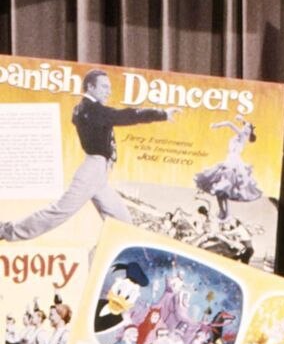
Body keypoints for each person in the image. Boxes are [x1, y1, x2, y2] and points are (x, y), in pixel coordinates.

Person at [0, 70, 177, 242]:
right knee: (60, 211)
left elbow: (84, 118)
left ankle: (99, 258)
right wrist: (161, 114)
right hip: (93, 170)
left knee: (123, 224)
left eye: (109, 87)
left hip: (99, 174)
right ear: (90, 87)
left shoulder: (85, 108)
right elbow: (126, 116)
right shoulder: (93, 110)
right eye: (104, 87)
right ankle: (8, 230)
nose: (109, 91)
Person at [193, 115, 264, 220]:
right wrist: (242, 120)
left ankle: (226, 212)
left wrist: (216, 125)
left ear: (249, 131)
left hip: (233, 162)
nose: (244, 127)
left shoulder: (242, 135)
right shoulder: (243, 133)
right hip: (229, 159)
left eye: (247, 127)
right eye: (245, 126)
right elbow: (247, 124)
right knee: (220, 189)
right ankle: (223, 211)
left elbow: (229, 124)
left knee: (223, 186)